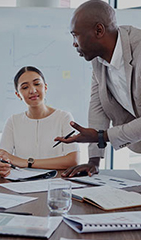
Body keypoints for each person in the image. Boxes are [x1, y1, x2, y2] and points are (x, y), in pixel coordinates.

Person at [54, 0, 141, 178]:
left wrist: (103, 136)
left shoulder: (139, 50)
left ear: (99, 30)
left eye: (75, 35)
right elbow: (98, 106)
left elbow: (100, 134)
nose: (74, 43)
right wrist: (93, 161)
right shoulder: (98, 60)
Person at [0, 66, 80, 177]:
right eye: (25, 87)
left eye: (37, 84)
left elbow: (73, 160)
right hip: (21, 184)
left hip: (56, 182)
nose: (32, 90)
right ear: (18, 95)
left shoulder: (64, 117)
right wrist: (0, 163)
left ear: (45, 87)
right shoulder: (13, 121)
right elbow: (2, 156)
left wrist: (26, 162)